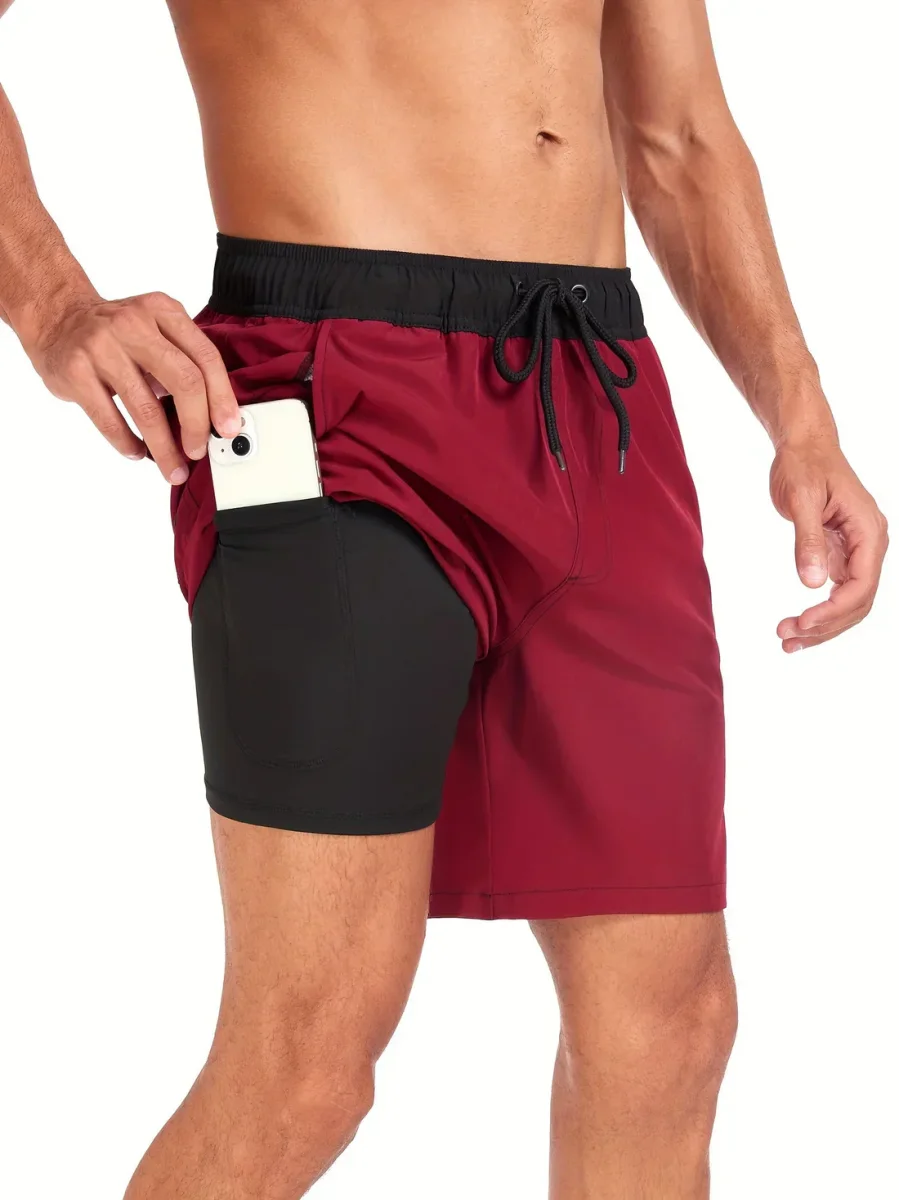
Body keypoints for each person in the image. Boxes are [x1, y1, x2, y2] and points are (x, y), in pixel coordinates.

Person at [0, 1, 888, 1196]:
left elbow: (677, 135)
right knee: (308, 1060)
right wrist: (55, 305)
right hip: (329, 392)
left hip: (595, 393)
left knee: (668, 1028)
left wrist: (800, 416)